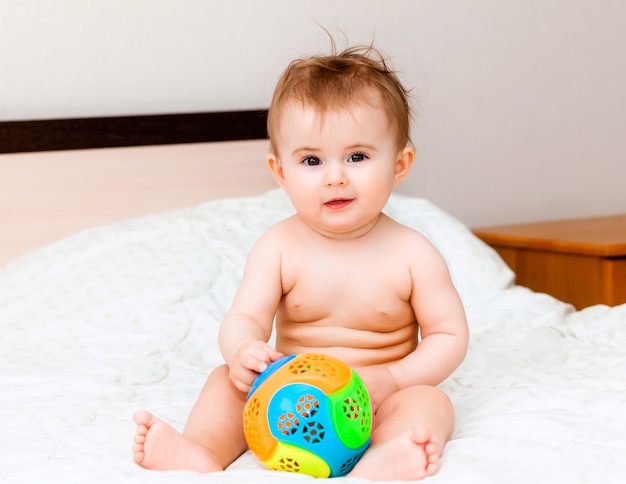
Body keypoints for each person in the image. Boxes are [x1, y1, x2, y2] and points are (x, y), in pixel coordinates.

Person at [132, 44, 469, 481]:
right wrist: (242, 351)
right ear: (280, 172)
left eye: (358, 157)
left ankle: (384, 456)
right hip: (287, 404)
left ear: (400, 164)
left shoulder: (413, 253)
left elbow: (449, 335)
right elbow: (244, 318)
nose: (335, 176)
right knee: (223, 383)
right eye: (312, 160)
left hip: (374, 398)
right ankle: (201, 450)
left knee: (431, 403)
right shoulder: (278, 247)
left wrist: (394, 378)